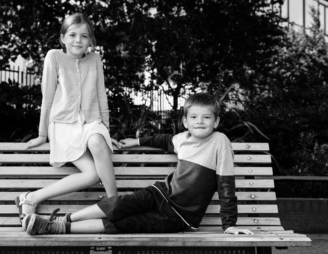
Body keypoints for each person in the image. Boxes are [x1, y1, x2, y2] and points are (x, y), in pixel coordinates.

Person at [22, 93, 254, 236]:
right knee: (118, 204)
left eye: (206, 117)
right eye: (194, 117)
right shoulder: (182, 138)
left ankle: (57, 227)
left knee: (125, 223)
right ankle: (60, 221)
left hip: (180, 216)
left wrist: (229, 225)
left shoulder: (220, 142)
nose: (200, 122)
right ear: (185, 121)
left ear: (217, 122)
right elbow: (163, 140)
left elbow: (226, 186)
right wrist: (137, 141)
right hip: (159, 193)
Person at [15, 13, 119, 227]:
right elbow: (48, 97)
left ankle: (113, 203)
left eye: (84, 36)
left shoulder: (95, 59)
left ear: (90, 40)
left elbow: (101, 96)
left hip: (91, 122)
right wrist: (42, 135)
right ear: (62, 38)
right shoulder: (54, 57)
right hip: (63, 124)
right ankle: (30, 198)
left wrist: (106, 131)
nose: (78, 40)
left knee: (98, 141)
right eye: (72, 35)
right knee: (91, 175)